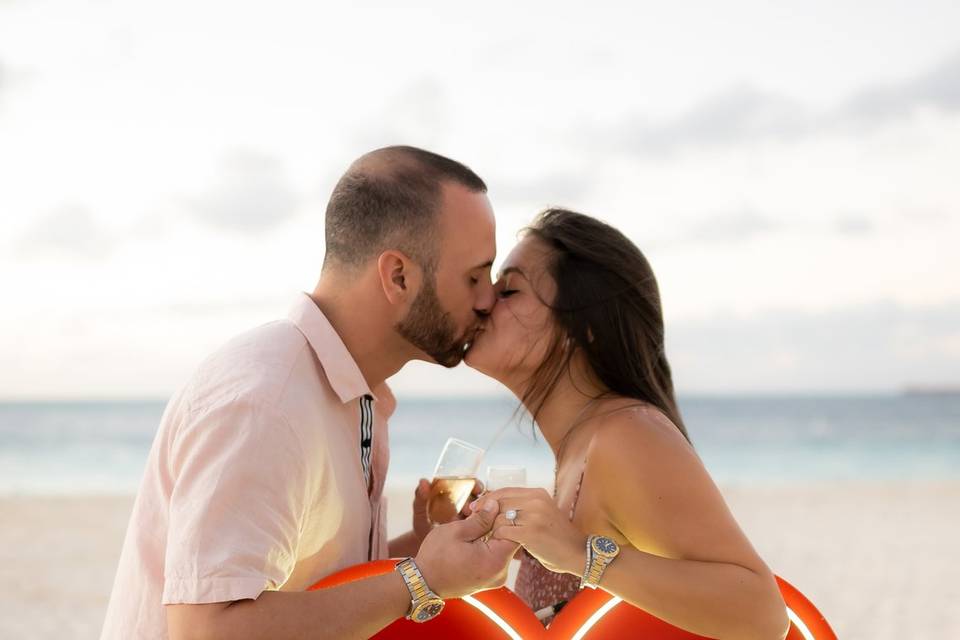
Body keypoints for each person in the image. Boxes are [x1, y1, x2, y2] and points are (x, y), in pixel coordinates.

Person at [100, 146, 518, 640]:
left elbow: (310, 587)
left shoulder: (346, 392)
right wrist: (421, 581)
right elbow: (208, 629)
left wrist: (422, 551)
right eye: (474, 276)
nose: (488, 298)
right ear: (398, 276)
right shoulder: (264, 401)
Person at [465, 209, 791, 639]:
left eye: (509, 289)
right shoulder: (582, 447)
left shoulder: (624, 435)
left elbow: (762, 615)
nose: (484, 301)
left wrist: (578, 552)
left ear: (583, 330)